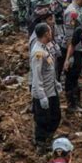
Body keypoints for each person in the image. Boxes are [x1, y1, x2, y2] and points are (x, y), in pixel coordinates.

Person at [30, 23, 62, 153]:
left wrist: (56, 82)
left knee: (56, 116)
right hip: (43, 93)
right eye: (50, 31)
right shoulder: (38, 52)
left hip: (51, 90)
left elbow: (49, 70)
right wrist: (42, 96)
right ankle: (41, 144)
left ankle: (49, 138)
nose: (52, 33)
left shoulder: (46, 48)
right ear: (46, 34)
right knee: (42, 120)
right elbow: (36, 77)